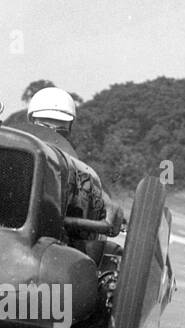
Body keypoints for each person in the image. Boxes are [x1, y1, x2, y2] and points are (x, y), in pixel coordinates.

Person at [21, 87, 124, 236]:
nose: (51, 135)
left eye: (60, 131)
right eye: (44, 127)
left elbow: (98, 195)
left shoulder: (75, 166)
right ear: (31, 121)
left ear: (69, 128)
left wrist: (106, 202)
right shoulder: (17, 155)